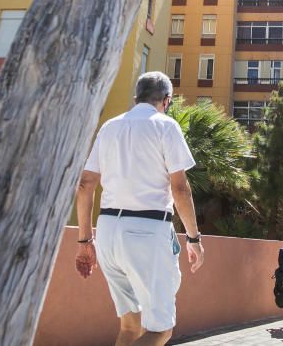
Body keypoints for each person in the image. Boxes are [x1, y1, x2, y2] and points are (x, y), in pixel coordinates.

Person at [75, 71, 205, 346]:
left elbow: (86, 185)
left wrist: (85, 241)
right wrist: (194, 239)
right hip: (147, 233)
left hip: (108, 232)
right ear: (167, 100)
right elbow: (180, 189)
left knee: (131, 326)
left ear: (136, 98)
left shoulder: (109, 127)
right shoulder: (166, 127)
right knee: (161, 330)